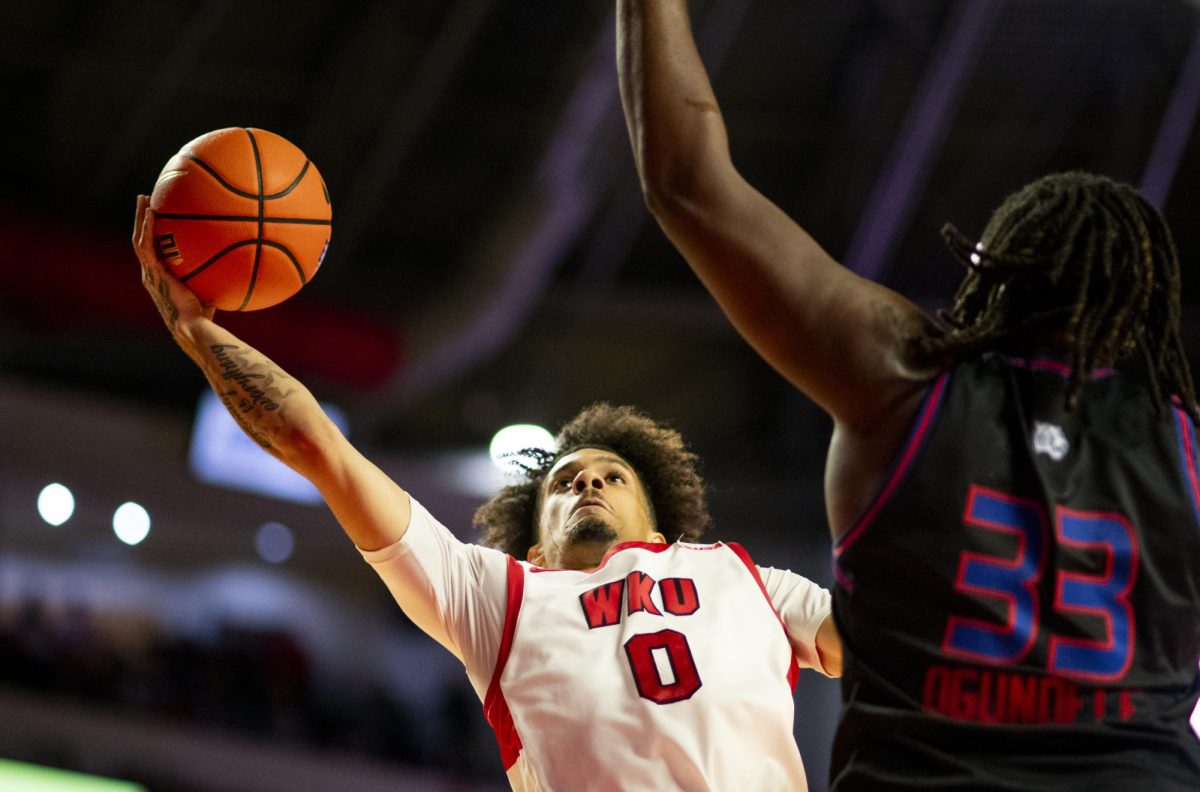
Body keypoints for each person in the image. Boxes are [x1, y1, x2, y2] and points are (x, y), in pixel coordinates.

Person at [616, 1, 1200, 790]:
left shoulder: (906, 381)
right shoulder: (1187, 446)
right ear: (1139, 315)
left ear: (990, 272)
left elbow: (688, 183)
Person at [132, 195, 841, 791]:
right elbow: (323, 450)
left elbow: (890, 651)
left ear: (661, 534)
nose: (588, 481)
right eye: (564, 483)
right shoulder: (498, 598)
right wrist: (197, 333)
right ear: (535, 544)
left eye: (611, 476)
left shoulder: (746, 578)